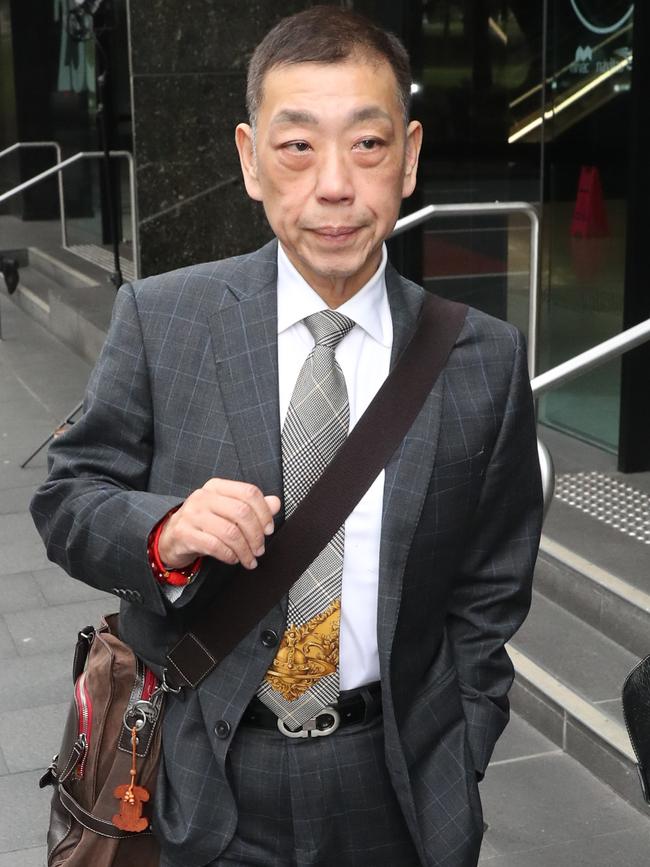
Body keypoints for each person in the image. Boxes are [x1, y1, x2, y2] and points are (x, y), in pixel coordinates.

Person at [31, 6, 543, 866]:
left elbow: (489, 592)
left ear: (410, 157)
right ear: (249, 160)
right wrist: (164, 532)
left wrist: (461, 747)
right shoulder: (165, 320)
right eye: (297, 146)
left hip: (396, 784)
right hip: (198, 775)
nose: (335, 185)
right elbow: (67, 497)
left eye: (368, 145)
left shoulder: (481, 360)